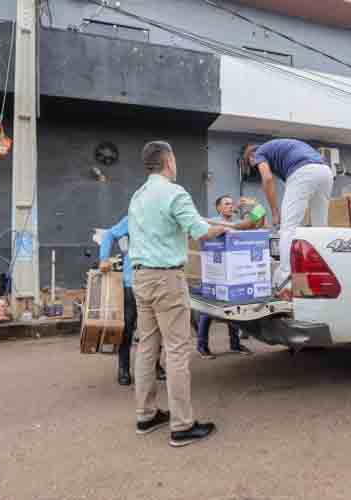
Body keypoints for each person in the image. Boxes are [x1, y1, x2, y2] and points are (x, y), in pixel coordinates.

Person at [128, 140, 227, 448]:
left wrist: (208, 223)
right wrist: (224, 228)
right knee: (177, 350)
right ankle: (182, 425)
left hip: (141, 277)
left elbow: (186, 223)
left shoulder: (138, 196)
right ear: (168, 161)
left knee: (147, 347)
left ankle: (145, 415)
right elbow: (199, 230)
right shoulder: (174, 192)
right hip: (166, 279)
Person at [243, 139, 333, 299]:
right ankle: (322, 276)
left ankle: (286, 280)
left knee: (288, 229)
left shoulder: (259, 153)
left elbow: (268, 179)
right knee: (321, 228)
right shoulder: (280, 150)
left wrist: (275, 212)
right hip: (325, 171)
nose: (255, 166)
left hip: (303, 172)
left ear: (251, 157)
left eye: (253, 164)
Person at [98, 216, 165, 386]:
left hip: (157, 282)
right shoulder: (135, 216)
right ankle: (124, 369)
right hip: (132, 283)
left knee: (157, 328)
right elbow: (109, 235)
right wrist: (103, 258)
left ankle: (154, 366)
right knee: (127, 328)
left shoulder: (164, 216)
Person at [196, 195, 255, 359]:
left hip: (233, 276)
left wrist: (252, 206)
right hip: (214, 275)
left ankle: (235, 344)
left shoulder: (237, 223)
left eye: (231, 203)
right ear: (218, 208)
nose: (230, 206)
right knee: (207, 311)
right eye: (226, 204)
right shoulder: (211, 222)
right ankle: (202, 346)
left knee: (233, 311)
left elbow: (257, 223)